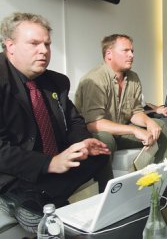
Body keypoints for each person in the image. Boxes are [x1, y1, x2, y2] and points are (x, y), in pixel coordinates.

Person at [0, 12, 110, 233]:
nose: (44, 51)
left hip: (52, 162)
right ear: (10, 46)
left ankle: (38, 199)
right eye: (34, 43)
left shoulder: (56, 82)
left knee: (100, 153)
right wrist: (49, 164)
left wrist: (83, 143)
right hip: (14, 170)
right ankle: (33, 200)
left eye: (47, 44)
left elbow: (75, 122)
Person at [75, 34, 167, 176]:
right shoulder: (95, 79)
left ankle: (166, 181)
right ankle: (107, 192)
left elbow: (134, 112)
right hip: (95, 134)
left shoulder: (133, 78)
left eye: (132, 51)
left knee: (160, 126)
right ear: (109, 54)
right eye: (125, 51)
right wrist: (134, 130)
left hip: (120, 132)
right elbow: (93, 124)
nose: (131, 55)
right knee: (105, 138)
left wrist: (148, 122)